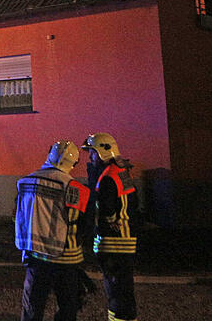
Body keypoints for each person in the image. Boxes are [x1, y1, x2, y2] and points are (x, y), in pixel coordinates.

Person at [14, 140, 92, 321]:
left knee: (32, 306)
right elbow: (85, 225)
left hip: (36, 257)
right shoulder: (77, 189)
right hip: (67, 258)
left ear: (50, 154)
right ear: (74, 163)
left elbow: (19, 215)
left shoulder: (24, 182)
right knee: (67, 307)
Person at [83, 132, 138, 321]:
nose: (90, 157)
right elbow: (133, 204)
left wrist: (111, 220)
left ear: (103, 152)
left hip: (112, 242)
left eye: (92, 153)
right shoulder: (123, 172)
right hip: (127, 238)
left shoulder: (107, 177)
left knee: (115, 289)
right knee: (125, 288)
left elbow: (105, 209)